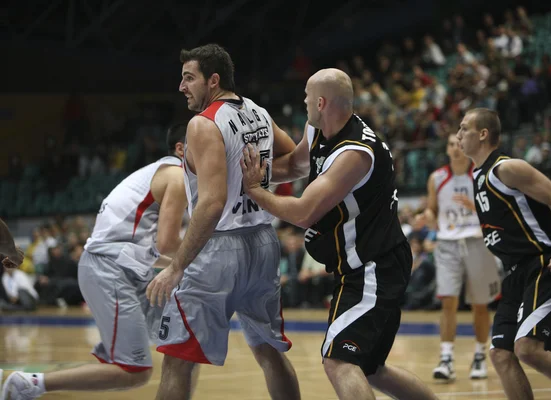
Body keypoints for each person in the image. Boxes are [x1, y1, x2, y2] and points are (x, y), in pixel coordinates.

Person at [240, 68, 437, 400]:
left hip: (375, 266)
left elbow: (304, 212)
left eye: (306, 96)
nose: (302, 102)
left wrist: (256, 191)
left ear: (320, 102)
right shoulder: (317, 131)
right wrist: (252, 171)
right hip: (360, 267)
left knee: (339, 361)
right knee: (373, 370)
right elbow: (297, 165)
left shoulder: (354, 153)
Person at [145, 44, 301, 400]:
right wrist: (259, 180)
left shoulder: (202, 123)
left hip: (219, 248)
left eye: (189, 78)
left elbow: (212, 203)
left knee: (177, 361)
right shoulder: (258, 111)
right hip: (262, 242)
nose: (182, 87)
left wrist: (176, 267)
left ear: (213, 80)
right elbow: (296, 162)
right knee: (268, 352)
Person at [2, 124, 190, 399]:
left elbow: (153, 252)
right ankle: (28, 384)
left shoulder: (156, 173)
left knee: (184, 337)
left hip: (119, 267)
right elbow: (170, 244)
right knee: (134, 370)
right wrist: (207, 258)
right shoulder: (176, 174)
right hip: (109, 269)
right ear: (181, 148)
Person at [457, 108, 551, 400]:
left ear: (483, 134)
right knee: (500, 353)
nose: (458, 135)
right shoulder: (478, 175)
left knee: (527, 349)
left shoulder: (506, 168)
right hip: (515, 275)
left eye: (463, 129)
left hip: (543, 267)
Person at [421, 133, 501, 381]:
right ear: (446, 149)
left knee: (480, 304)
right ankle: (446, 359)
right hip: (447, 244)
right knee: (448, 302)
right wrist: (428, 216)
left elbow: (497, 212)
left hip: (477, 242)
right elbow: (431, 208)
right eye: (451, 144)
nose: (456, 148)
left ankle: (479, 355)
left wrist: (473, 207)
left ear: (467, 146)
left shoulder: (480, 175)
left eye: (459, 143)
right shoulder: (437, 178)